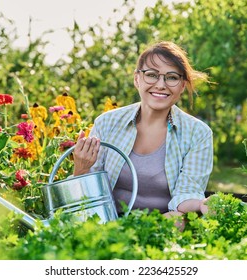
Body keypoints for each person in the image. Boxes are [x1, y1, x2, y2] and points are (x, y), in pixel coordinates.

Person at [72, 41, 213, 228]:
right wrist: (81, 169)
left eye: (172, 77)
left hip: (162, 222)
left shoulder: (198, 133)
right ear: (137, 79)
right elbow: (84, 200)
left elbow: (187, 193)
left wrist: (201, 204)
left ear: (182, 86)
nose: (161, 85)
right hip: (109, 221)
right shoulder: (107, 123)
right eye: (152, 75)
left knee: (178, 221)